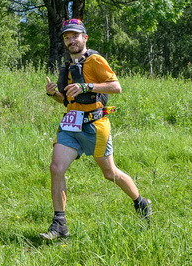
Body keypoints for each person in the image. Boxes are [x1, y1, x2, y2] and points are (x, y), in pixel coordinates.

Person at [40, 18, 151, 240]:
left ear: (85, 37)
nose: (71, 40)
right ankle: (60, 224)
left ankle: (141, 202)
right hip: (71, 124)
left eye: (75, 36)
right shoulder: (68, 66)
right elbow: (66, 101)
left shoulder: (95, 60)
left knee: (110, 173)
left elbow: (116, 87)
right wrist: (54, 94)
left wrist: (87, 86)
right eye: (67, 37)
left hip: (95, 125)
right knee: (56, 168)